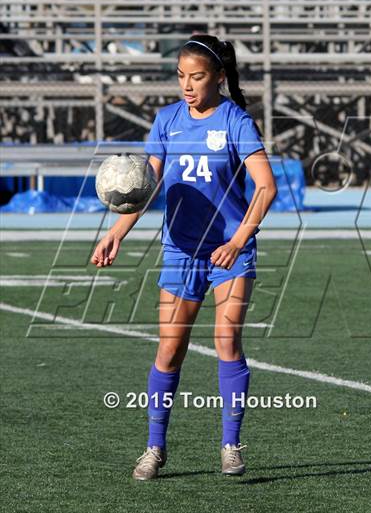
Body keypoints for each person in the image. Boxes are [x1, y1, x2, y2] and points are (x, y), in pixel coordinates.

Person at [91, 34, 278, 480]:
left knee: (227, 342)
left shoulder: (235, 121)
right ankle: (155, 448)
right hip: (180, 251)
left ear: (217, 77)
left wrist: (239, 241)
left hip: (230, 251)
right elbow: (145, 185)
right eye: (181, 77)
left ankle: (231, 445)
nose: (188, 86)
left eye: (197, 77)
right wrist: (117, 232)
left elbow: (266, 187)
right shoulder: (167, 120)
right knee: (170, 349)